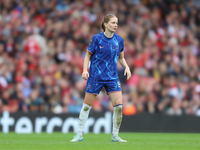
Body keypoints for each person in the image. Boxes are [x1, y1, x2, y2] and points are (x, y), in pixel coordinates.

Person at [70, 14, 131, 142]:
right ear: (105, 24)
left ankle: (115, 136)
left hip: (112, 77)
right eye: (113, 22)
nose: (116, 25)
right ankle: (79, 135)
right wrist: (84, 70)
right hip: (95, 76)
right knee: (86, 106)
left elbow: (121, 57)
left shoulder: (119, 40)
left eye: (117, 23)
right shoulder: (97, 39)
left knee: (119, 107)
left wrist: (126, 67)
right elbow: (87, 56)